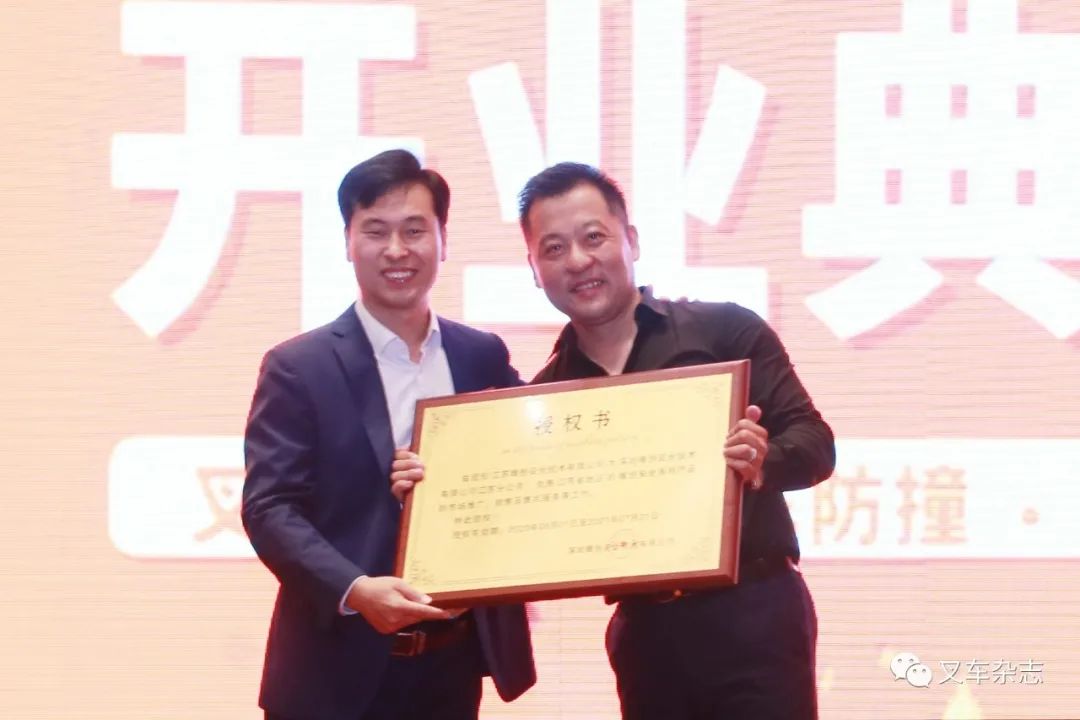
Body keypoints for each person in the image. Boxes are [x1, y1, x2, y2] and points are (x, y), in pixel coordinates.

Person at [516, 162, 833, 720]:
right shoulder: (544, 399)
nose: (579, 261)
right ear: (535, 270)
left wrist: (763, 460)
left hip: (753, 613)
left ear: (631, 240)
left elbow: (816, 444)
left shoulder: (724, 332)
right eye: (555, 248)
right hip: (645, 634)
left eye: (594, 238)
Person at [242, 149, 535, 720]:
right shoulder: (298, 367)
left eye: (415, 230)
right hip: (332, 678)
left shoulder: (481, 355)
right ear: (348, 242)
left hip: (450, 668)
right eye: (376, 231)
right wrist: (355, 589)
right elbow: (269, 508)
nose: (397, 250)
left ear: (443, 240)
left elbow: (537, 444)